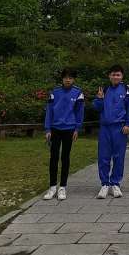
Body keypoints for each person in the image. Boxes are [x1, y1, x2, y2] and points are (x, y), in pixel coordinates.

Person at [93, 64, 129, 199]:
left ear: (122, 76)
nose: (115, 77)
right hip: (105, 127)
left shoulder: (127, 89)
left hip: (120, 128)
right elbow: (97, 108)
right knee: (103, 157)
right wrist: (99, 99)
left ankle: (115, 183)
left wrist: (128, 124)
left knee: (119, 157)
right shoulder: (104, 89)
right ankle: (105, 184)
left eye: (118, 75)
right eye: (113, 74)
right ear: (109, 76)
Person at [43, 68, 84, 201]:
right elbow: (49, 111)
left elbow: (79, 112)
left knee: (65, 157)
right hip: (55, 129)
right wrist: (47, 129)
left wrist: (77, 128)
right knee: (54, 157)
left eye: (70, 78)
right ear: (62, 78)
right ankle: (52, 187)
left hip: (69, 129)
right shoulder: (54, 92)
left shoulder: (78, 93)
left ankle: (62, 187)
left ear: (74, 79)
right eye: (66, 77)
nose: (68, 80)